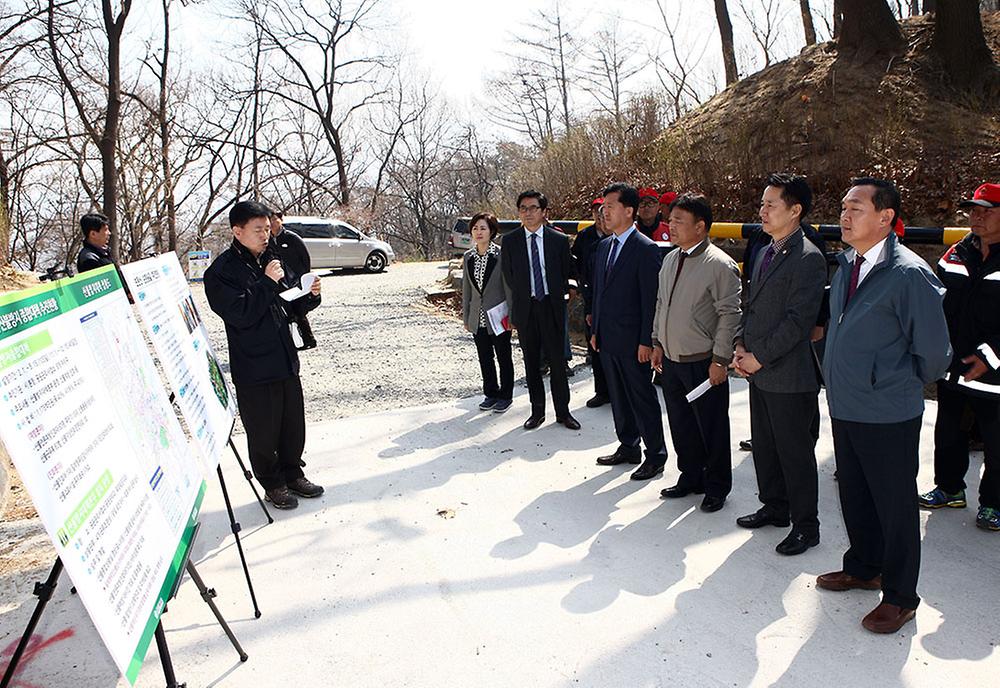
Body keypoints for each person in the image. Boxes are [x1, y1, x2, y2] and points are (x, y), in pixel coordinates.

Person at [817, 177, 951, 634]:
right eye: (843, 206)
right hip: (846, 403)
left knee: (894, 504)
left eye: (856, 208)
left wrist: (889, 381)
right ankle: (863, 566)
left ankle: (900, 596)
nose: (845, 215)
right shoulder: (848, 263)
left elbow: (933, 352)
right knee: (853, 492)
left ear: (886, 217)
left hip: (888, 410)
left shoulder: (909, 273)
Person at [204, 200, 324, 510]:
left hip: (285, 357)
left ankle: (293, 473)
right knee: (263, 430)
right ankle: (273, 484)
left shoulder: (273, 258)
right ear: (237, 231)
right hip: (254, 364)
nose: (265, 236)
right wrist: (267, 283)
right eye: (258, 230)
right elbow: (241, 313)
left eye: (268, 230)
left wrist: (310, 295)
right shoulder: (220, 272)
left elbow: (290, 301)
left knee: (292, 424)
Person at [732, 173, 826, 556]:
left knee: (795, 454)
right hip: (758, 370)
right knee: (766, 447)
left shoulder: (808, 257)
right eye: (762, 203)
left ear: (795, 210)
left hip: (788, 374)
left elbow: (798, 322)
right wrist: (740, 344)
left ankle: (807, 526)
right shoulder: (765, 248)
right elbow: (750, 304)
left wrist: (759, 356)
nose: (763, 211)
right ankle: (775, 506)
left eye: (771, 204)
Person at [652, 194, 741, 511]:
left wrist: (720, 360)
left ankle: (717, 486)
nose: (671, 226)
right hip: (672, 360)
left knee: (712, 426)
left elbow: (730, 314)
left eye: (679, 221)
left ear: (700, 227)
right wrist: (657, 343)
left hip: (703, 362)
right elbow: (661, 303)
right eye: (670, 219)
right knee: (680, 422)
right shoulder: (671, 259)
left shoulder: (718, 265)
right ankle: (690, 476)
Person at [919, 183, 1000, 531]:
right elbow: (934, 304)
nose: (976, 217)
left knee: (996, 444)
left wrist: (989, 358)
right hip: (951, 367)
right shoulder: (955, 253)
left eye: (986, 210)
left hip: (994, 373)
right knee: (948, 432)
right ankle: (950, 488)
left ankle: (994, 504)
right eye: (973, 210)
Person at [590, 183, 667, 481]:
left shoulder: (645, 249)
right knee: (618, 396)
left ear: (629, 210)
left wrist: (646, 340)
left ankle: (656, 454)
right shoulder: (604, 246)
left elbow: (650, 300)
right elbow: (599, 292)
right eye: (603, 207)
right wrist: (595, 329)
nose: (604, 211)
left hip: (634, 341)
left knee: (641, 396)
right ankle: (628, 445)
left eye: (610, 206)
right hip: (607, 337)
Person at [500, 190, 580, 431]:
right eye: (523, 208)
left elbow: (568, 270)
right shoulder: (511, 241)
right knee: (532, 362)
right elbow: (509, 275)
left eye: (533, 208)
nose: (528, 212)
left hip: (552, 306)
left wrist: (565, 292)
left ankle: (563, 413)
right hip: (527, 309)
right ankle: (537, 412)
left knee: (557, 362)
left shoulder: (557, 240)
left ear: (544, 212)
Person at [462, 212, 514, 414]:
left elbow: (509, 288)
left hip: (499, 317)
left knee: (503, 356)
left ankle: (506, 395)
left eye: (483, 228)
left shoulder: (501, 255)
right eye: (475, 228)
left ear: (492, 231)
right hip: (478, 316)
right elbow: (467, 290)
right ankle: (490, 393)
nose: (478, 232)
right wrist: (466, 317)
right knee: (485, 357)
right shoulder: (469, 257)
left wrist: (512, 315)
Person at [573, 198, 610, 408]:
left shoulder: (627, 243)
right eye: (597, 212)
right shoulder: (588, 240)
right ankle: (602, 391)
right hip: (593, 303)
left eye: (604, 212)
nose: (601, 217)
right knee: (595, 350)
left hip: (617, 310)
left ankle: (619, 392)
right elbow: (581, 272)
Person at [270, 209, 317, 350]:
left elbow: (305, 259)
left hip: (295, 281)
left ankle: (308, 339)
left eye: (274, 219)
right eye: (269, 220)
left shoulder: (292, 238)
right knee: (287, 312)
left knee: (299, 310)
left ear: (281, 219)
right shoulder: (268, 241)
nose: (272, 223)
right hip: (280, 281)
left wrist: (303, 278)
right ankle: (295, 340)